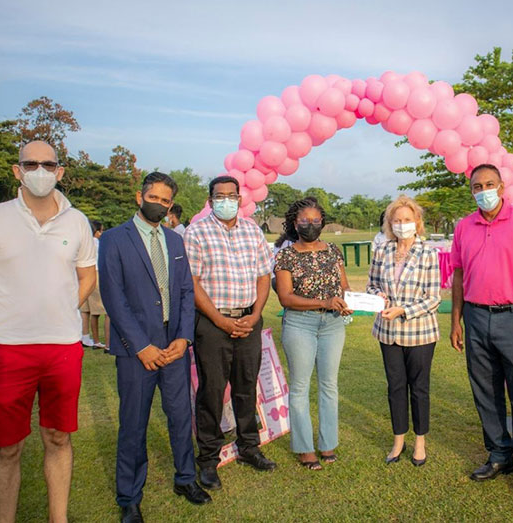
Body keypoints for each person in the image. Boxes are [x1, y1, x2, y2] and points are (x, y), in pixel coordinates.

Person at [0, 141, 96, 523]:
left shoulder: (77, 221)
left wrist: (61, 306)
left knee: (58, 438)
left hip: (62, 348)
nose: (39, 170)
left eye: (48, 164)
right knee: (7, 447)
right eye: (31, 163)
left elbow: (87, 275)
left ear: (60, 171)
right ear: (17, 170)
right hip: (7, 349)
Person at [99, 172, 211, 522]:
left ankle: (186, 478)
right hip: (137, 350)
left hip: (174, 345)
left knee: (180, 416)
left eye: (166, 201)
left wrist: (183, 338)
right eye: (154, 198)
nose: (159, 205)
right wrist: (141, 346)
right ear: (139, 196)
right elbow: (113, 297)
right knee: (134, 422)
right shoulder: (115, 239)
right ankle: (130, 497)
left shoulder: (175, 242)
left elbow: (183, 293)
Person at [449, 163, 513, 497]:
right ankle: (499, 455)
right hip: (476, 317)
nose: (483, 191)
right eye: (477, 187)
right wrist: (456, 321)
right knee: (485, 393)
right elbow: (459, 276)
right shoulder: (464, 226)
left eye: (489, 184)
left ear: (502, 187)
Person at [184, 175, 276, 490]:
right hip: (212, 324)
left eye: (231, 195)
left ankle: (249, 447)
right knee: (211, 389)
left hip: (249, 320)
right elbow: (193, 283)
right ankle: (209, 458)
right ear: (210, 201)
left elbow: (264, 275)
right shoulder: (196, 232)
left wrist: (255, 314)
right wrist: (222, 322)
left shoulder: (252, 230)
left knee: (246, 386)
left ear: (239, 198)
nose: (226, 200)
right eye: (219, 195)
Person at [274, 197, 352, 470]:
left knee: (329, 385)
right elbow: (285, 298)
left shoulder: (332, 250)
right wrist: (325, 302)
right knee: (300, 386)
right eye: (304, 221)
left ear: (323, 222)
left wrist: (344, 302)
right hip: (299, 324)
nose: (310, 225)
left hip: (332, 325)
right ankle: (305, 448)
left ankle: (327, 443)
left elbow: (343, 285)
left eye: (315, 220)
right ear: (294, 224)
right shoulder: (286, 255)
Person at [366, 195, 440, 466]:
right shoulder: (382, 251)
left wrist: (403, 310)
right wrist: (379, 298)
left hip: (419, 332)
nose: (402, 225)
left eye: (407, 220)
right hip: (388, 331)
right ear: (389, 224)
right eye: (396, 220)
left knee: (419, 387)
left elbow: (433, 298)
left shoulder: (429, 253)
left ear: (417, 222)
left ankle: (420, 440)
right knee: (395, 386)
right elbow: (372, 285)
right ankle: (399, 438)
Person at [80, 220, 111, 350]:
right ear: (97, 232)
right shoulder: (97, 243)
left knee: (89, 311)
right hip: (97, 275)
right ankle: (107, 344)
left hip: (84, 274)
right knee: (105, 311)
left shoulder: (83, 243)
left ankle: (88, 337)